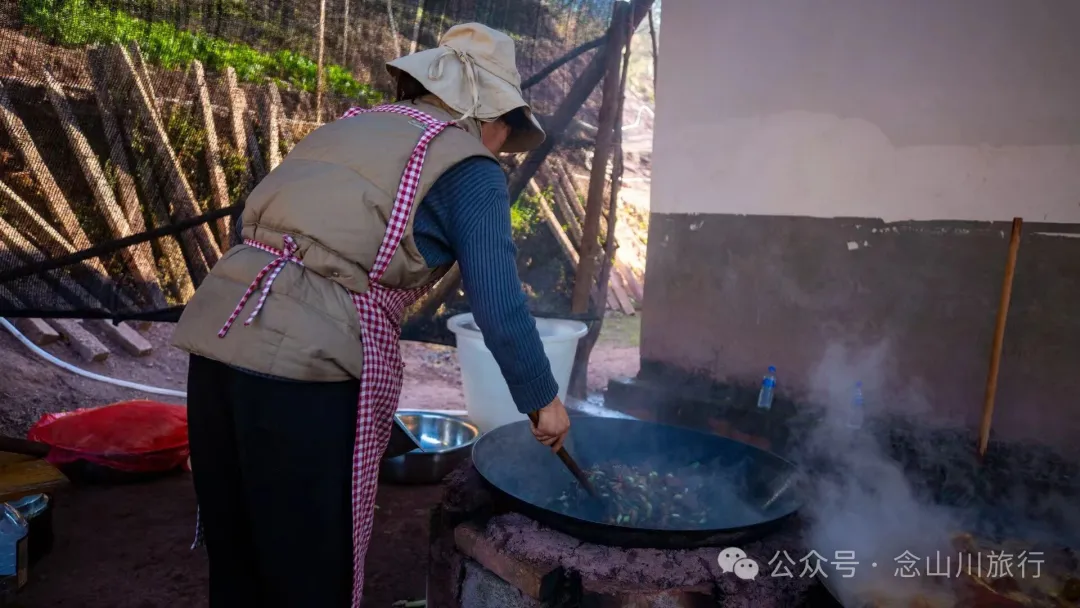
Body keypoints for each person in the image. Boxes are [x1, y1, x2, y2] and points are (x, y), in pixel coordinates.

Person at [171, 23, 572, 608]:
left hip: (219, 337)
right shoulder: (469, 165)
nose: (499, 150)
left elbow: (257, 234)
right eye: (505, 133)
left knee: (239, 558)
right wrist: (544, 400)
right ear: (491, 115)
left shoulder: (350, 129)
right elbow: (499, 304)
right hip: (304, 368)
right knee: (307, 571)